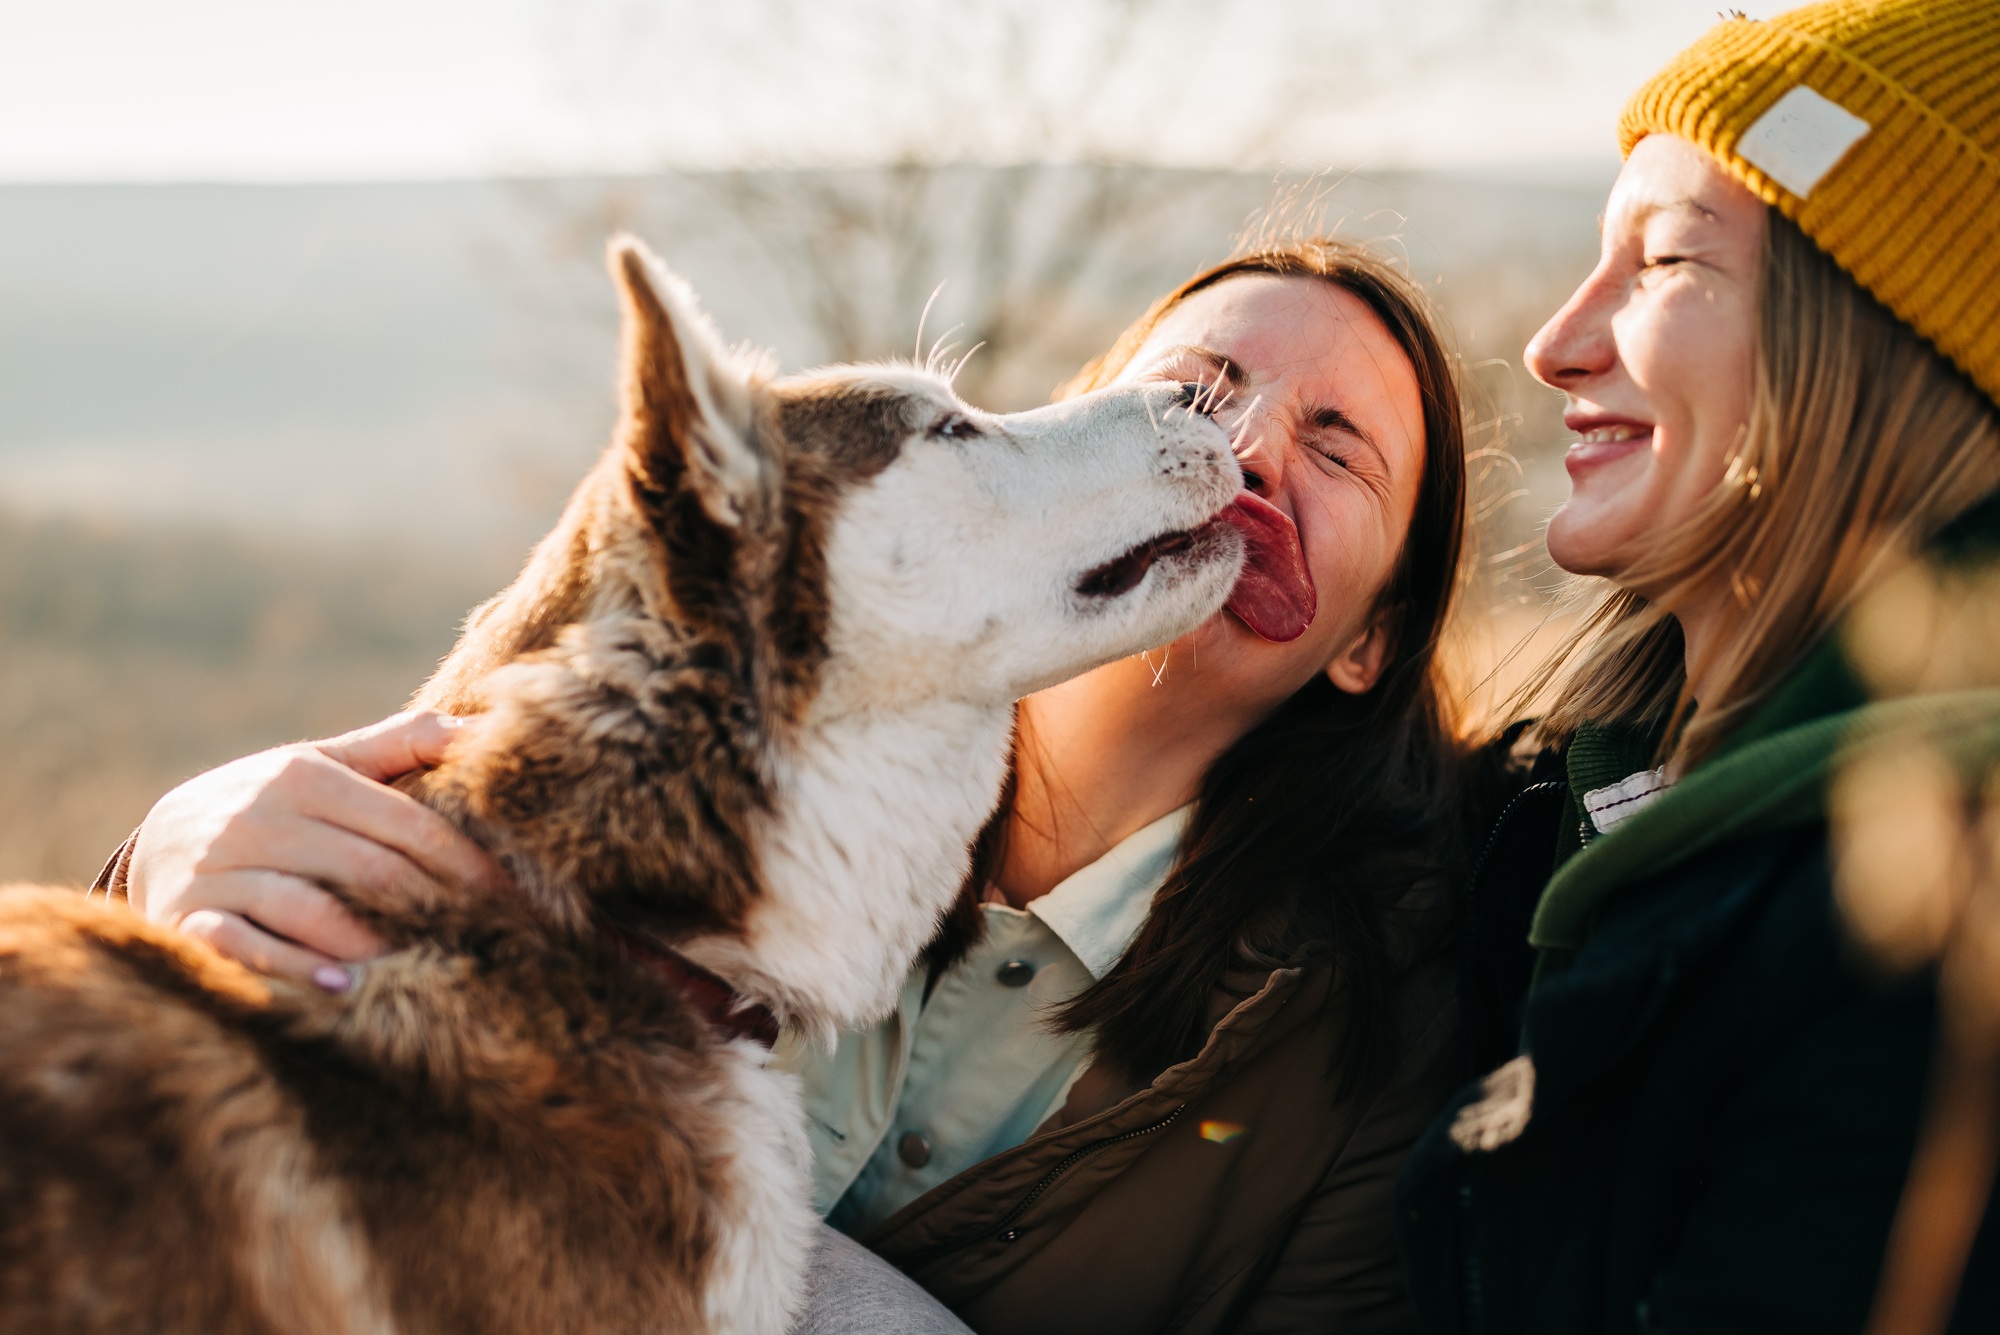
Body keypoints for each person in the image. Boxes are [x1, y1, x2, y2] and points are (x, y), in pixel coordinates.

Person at [105, 236, 1478, 1333]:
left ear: (1371, 639)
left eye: (1338, 447)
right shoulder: (682, 765)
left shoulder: (1360, 1055)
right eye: (1196, 389)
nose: (1241, 452)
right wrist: (161, 864)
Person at [1395, 3, 2000, 1332]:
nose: (1556, 343)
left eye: (1665, 263)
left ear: (1881, 355)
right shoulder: (1547, 812)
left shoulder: (1933, 936)